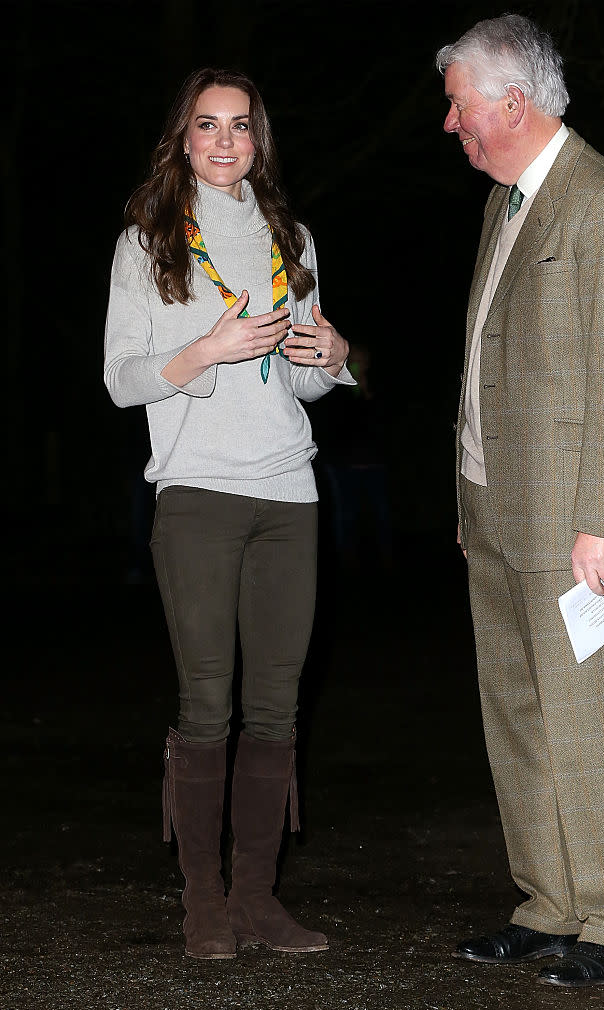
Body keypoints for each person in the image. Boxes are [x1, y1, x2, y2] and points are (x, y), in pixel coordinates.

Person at [104, 68, 354, 960]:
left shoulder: (291, 236)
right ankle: (201, 901)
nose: (222, 141)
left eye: (239, 126)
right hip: (197, 494)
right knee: (206, 703)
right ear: (181, 137)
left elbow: (298, 380)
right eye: (205, 125)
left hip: (288, 492)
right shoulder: (148, 243)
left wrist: (330, 354)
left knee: (277, 708)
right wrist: (202, 348)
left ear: (259, 140)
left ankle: (256, 899)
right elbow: (122, 379)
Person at [437, 15, 604, 988]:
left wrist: (601, 522)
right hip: (498, 509)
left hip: (575, 521)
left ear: (511, 104)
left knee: (589, 722)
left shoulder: (597, 200)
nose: (451, 125)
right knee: (521, 718)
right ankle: (552, 900)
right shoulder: (508, 203)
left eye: (458, 106)